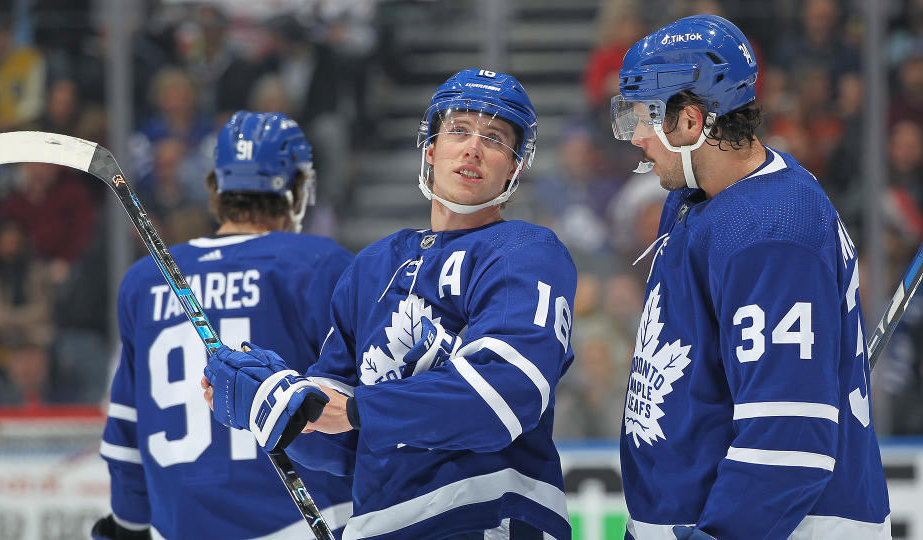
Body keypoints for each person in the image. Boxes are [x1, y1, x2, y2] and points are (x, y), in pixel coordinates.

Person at [203, 69, 577, 539]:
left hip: (485, 517)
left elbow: (506, 393)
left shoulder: (525, 252)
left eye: (496, 138)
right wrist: (282, 414)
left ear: (516, 166)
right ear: (430, 149)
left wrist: (357, 409)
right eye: (458, 130)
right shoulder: (372, 266)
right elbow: (341, 444)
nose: (473, 148)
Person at [609, 14, 891, 539]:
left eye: (645, 116)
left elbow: (788, 446)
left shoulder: (774, 231)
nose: (638, 137)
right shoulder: (700, 198)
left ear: (692, 122)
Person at [94, 111, 354, 539]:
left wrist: (129, 527)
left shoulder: (146, 280)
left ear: (216, 185)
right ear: (297, 188)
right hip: (302, 525)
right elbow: (364, 414)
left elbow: (125, 436)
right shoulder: (319, 265)